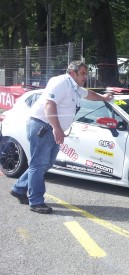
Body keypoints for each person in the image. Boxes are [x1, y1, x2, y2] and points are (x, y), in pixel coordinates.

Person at [9, 61, 113, 214]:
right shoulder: (60, 82)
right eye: (83, 73)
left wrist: (103, 98)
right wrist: (57, 128)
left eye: (86, 73)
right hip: (43, 126)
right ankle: (36, 201)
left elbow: (88, 94)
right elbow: (49, 104)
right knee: (39, 164)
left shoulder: (75, 87)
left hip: (50, 128)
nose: (86, 76)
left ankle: (19, 188)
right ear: (72, 73)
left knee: (46, 164)